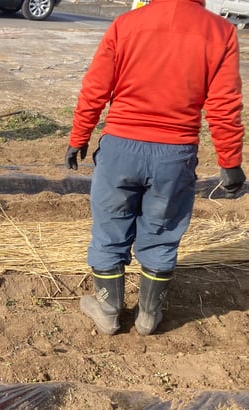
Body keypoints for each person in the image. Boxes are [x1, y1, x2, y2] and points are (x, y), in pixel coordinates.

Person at [66, 0, 245, 336]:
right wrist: (230, 161)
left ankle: (108, 309)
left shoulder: (126, 24)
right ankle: (149, 315)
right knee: (162, 232)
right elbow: (224, 105)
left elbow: (96, 88)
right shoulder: (220, 32)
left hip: (120, 149)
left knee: (110, 228)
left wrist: (79, 137)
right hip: (174, 156)